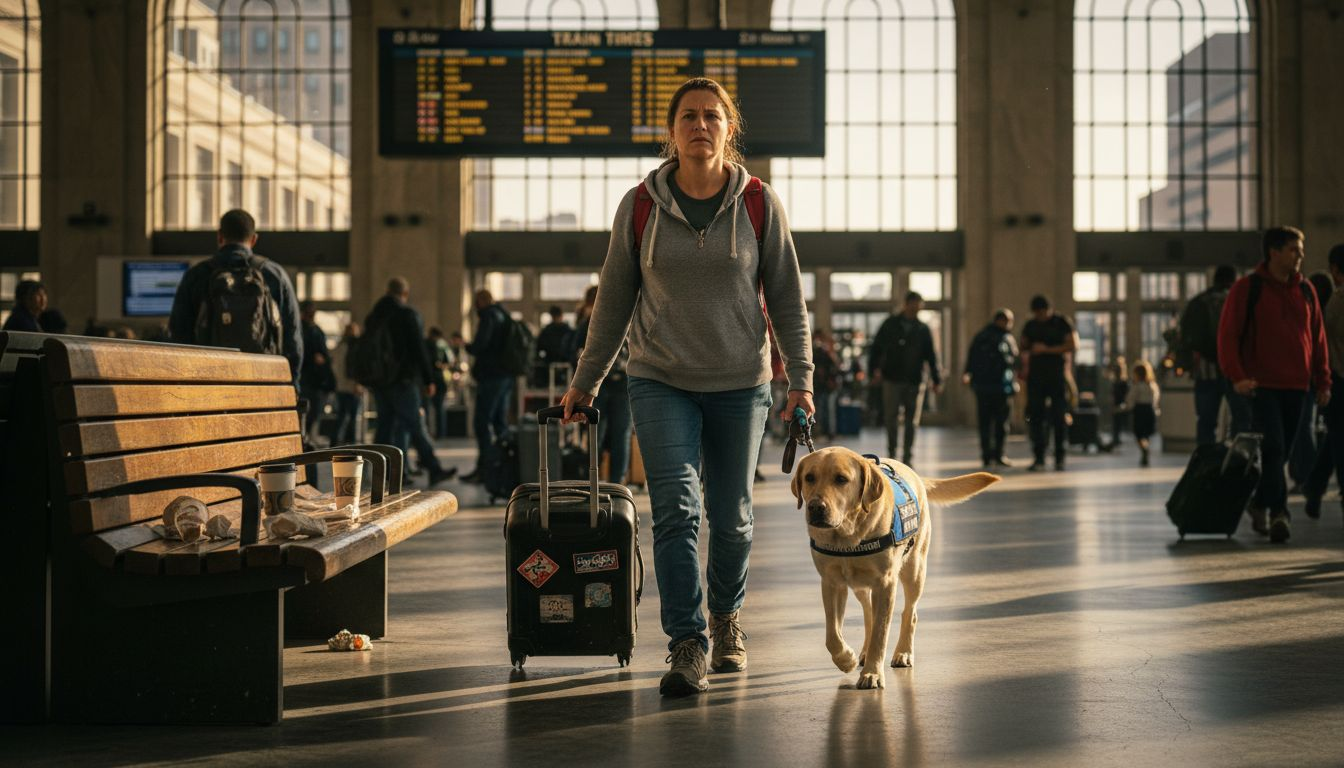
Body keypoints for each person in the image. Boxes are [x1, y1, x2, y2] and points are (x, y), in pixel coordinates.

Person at [558, 77, 814, 698]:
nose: (700, 125)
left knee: (732, 519)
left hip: (739, 381)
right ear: (671, 133)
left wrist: (801, 383)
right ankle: (687, 641)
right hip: (659, 377)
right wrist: (585, 382)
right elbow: (614, 301)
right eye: (689, 117)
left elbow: (786, 298)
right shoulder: (640, 206)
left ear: (730, 130)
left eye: (712, 117)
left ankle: (727, 618)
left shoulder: (759, 204)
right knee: (675, 509)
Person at [1216, 226, 1330, 543]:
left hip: (1298, 386)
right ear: (1274, 252)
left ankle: (1258, 502)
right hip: (1261, 385)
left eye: (1301, 250)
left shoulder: (1306, 291)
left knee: (1282, 452)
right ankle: (1280, 512)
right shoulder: (1247, 289)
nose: (1300, 256)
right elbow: (1228, 336)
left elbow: (1317, 340)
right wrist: (1237, 376)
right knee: (1275, 447)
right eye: (1294, 249)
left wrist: (1323, 380)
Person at [168, 209, 302, 383]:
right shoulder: (274, 275)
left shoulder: (198, 275)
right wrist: (293, 384)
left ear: (219, 237)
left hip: (209, 382)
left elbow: (178, 332)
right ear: (254, 239)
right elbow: (293, 336)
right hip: (262, 382)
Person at [362, 277, 456, 486]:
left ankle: (385, 472)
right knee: (414, 423)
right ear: (404, 293)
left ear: (387, 291)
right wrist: (428, 379)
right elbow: (418, 348)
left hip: (380, 381)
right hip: (403, 380)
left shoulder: (374, 316)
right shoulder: (407, 314)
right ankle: (433, 467)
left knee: (385, 426)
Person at [868, 291, 943, 466]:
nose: (917, 309)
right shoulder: (890, 324)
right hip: (892, 378)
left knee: (912, 420)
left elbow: (931, 355)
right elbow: (876, 349)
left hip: (915, 379)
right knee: (891, 417)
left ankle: (908, 455)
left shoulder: (923, 328)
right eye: (914, 305)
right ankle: (892, 452)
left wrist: (936, 379)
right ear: (906, 304)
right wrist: (874, 371)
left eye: (919, 306)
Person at [1182, 265, 1249, 446]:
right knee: (1240, 418)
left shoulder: (1198, 302)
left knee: (1206, 421)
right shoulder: (1237, 301)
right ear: (1233, 280)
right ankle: (1237, 461)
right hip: (1235, 371)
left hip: (1206, 370)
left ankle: (1206, 462)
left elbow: (1188, 337)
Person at [573, 285, 633, 484]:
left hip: (597, 384)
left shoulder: (588, 322)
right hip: (624, 382)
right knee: (620, 436)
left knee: (594, 434)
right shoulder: (630, 316)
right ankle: (617, 485)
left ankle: (593, 482)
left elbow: (571, 348)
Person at [1304, 247, 1344, 521]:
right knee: (1338, 439)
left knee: (1337, 438)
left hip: (1337, 380)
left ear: (1335, 269)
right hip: (1337, 380)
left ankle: (1315, 486)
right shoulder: (1337, 300)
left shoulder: (1336, 302)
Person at [460, 289, 514, 484]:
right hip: (506, 377)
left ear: (481, 301)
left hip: (491, 377)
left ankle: (486, 470)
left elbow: (480, 345)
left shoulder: (489, 316)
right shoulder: (503, 315)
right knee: (500, 424)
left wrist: (466, 345)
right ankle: (504, 469)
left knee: (482, 423)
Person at [1019, 295, 1078, 472]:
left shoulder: (1061, 322)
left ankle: (1060, 457)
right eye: (1036, 313)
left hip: (1056, 376)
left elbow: (1073, 344)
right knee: (1035, 416)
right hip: (1036, 377)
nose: (1040, 316)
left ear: (1048, 310)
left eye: (1042, 313)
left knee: (1059, 416)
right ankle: (1039, 457)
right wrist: (1027, 347)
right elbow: (1023, 346)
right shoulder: (1031, 325)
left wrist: (1047, 349)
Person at [963, 308, 1018, 468]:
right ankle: (995, 454)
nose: (1010, 325)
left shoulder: (987, 337)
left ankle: (992, 455)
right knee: (996, 423)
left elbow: (971, 359)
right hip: (995, 388)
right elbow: (1012, 362)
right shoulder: (999, 338)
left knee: (991, 423)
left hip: (990, 388)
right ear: (1000, 320)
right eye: (1008, 321)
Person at [299, 301, 335, 444]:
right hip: (308, 378)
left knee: (315, 411)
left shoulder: (315, 330)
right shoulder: (303, 330)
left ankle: (309, 436)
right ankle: (306, 437)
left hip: (317, 379)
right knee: (308, 411)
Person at [329, 322, 364, 445]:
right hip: (353, 387)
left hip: (340, 387)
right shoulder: (356, 348)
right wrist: (358, 384)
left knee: (341, 417)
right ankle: (353, 444)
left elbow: (334, 367)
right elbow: (356, 368)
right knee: (353, 418)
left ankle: (335, 443)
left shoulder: (339, 348)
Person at [1126, 360, 1161, 467]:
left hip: (1139, 411)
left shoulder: (1136, 386)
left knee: (1139, 434)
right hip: (1149, 410)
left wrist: (1128, 407)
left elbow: (1130, 399)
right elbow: (1156, 400)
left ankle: (1144, 449)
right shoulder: (1153, 385)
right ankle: (1145, 449)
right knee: (1146, 434)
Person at [811, 329, 843, 440]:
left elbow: (836, 367)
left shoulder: (829, 353)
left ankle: (830, 433)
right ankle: (818, 432)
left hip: (828, 387)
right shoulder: (814, 352)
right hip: (817, 386)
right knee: (817, 410)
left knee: (829, 410)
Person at [533, 305, 573, 388]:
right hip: (567, 365)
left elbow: (539, 347)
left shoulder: (546, 330)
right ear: (562, 315)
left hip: (549, 364)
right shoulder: (568, 330)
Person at [425, 327, 452, 438]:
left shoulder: (426, 344)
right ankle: (441, 433)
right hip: (439, 379)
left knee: (425, 408)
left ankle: (426, 433)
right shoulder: (443, 345)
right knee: (439, 409)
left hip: (428, 379)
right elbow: (448, 361)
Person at [1102, 357, 1129, 451]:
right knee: (1116, 423)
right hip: (1117, 404)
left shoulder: (1122, 382)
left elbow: (1123, 395)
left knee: (1117, 423)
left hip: (1120, 405)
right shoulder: (1118, 382)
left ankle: (1116, 439)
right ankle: (1115, 439)